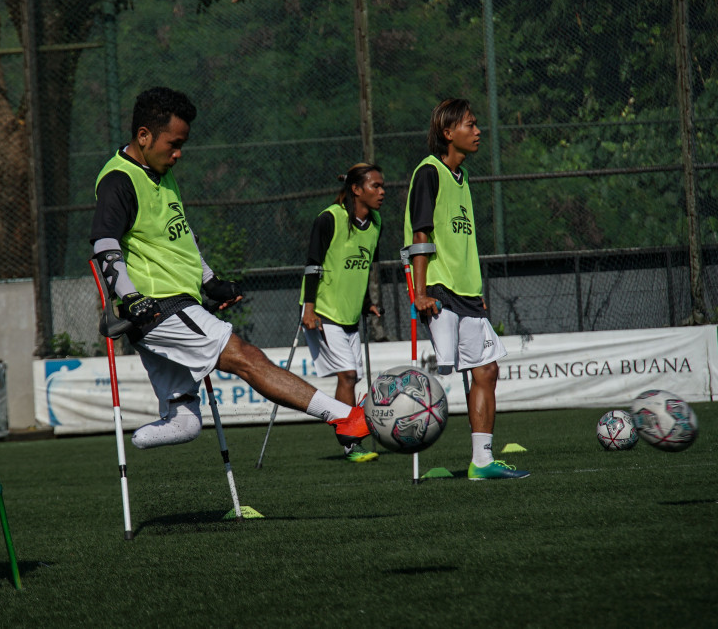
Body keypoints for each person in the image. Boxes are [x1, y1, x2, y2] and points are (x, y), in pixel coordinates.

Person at [90, 86, 370, 452]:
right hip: (159, 306)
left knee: (185, 421)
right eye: (173, 144)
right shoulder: (119, 180)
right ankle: (344, 416)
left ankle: (136, 441)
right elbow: (104, 244)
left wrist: (210, 281)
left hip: (178, 300)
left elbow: (181, 235)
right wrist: (129, 298)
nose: (178, 154)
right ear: (144, 136)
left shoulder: (160, 172)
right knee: (245, 358)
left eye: (182, 145)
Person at [404, 98, 528, 480]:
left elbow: (463, 241)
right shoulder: (429, 172)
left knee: (487, 370)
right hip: (438, 289)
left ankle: (482, 462)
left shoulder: (464, 177)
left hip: (467, 292)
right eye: (470, 125)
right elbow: (421, 234)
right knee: (439, 375)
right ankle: (381, 419)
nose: (478, 132)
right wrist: (419, 292)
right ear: (448, 132)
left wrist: (475, 286)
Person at [300, 163, 385, 462]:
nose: (382, 192)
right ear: (356, 189)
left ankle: (351, 434)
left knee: (353, 377)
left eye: (382, 185)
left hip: (350, 314)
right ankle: (351, 443)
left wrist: (365, 304)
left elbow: (362, 270)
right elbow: (312, 265)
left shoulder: (375, 223)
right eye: (375, 186)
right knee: (348, 376)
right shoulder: (329, 218)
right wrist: (308, 308)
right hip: (323, 311)